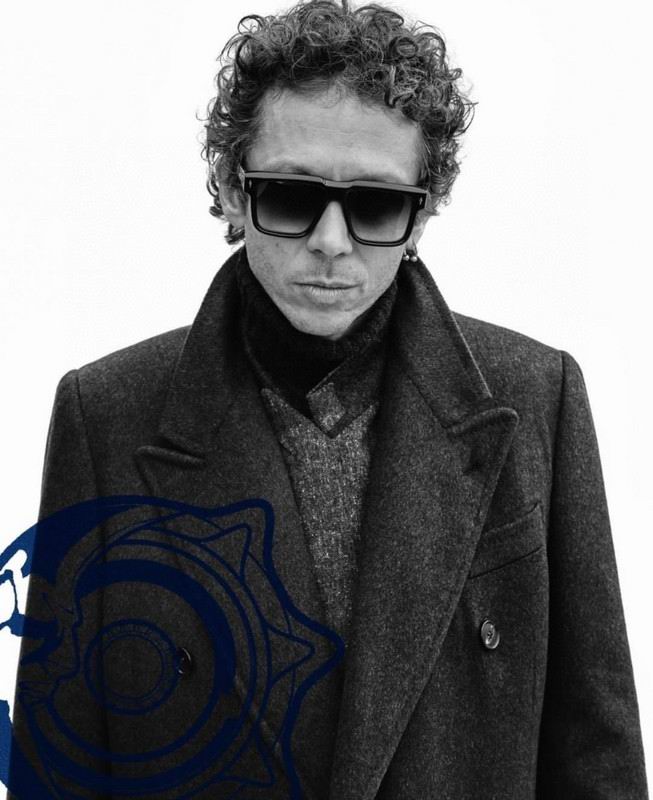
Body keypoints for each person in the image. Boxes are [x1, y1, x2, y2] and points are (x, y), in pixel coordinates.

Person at [8, 1, 648, 798]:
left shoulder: (533, 397)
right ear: (231, 190)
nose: (330, 243)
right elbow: (56, 765)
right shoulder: (106, 415)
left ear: (423, 211)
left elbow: (596, 751)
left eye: (375, 204)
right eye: (289, 195)